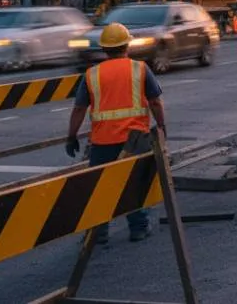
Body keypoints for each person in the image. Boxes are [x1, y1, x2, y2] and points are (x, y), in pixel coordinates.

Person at [66, 22, 167, 242]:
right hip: (134, 139)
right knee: (134, 183)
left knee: (102, 188)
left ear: (104, 49)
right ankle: (138, 227)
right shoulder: (140, 69)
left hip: (102, 141)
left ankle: (98, 233)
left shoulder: (92, 74)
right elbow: (155, 102)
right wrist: (161, 126)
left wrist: (71, 136)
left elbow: (79, 108)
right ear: (127, 45)